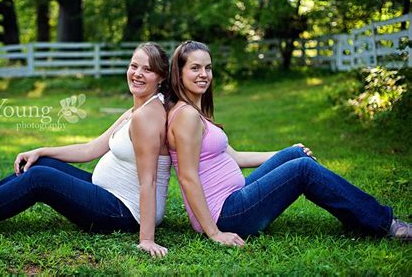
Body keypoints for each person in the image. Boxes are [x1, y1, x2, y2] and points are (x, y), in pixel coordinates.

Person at [166, 40, 411, 246]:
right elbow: (187, 177)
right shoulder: (186, 116)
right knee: (302, 170)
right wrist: (214, 232)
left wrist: (288, 151)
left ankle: (357, 215)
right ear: (179, 73)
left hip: (232, 200)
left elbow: (236, 157)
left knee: (296, 158)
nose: (204, 75)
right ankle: (382, 222)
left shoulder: (194, 112)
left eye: (208, 68)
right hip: (226, 215)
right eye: (195, 68)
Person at [0, 42, 172, 257]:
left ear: (160, 77)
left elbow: (148, 181)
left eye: (147, 69)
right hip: (108, 194)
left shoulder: (148, 117)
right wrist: (42, 151)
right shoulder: (136, 111)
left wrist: (147, 239)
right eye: (134, 66)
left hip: (123, 212)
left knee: (41, 177)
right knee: (40, 164)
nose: (137, 74)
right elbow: (91, 149)